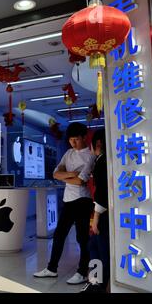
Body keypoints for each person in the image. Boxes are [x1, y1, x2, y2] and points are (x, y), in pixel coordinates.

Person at [34, 122, 95, 285]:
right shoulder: (68, 153)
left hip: (83, 200)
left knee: (82, 237)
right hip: (68, 200)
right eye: (70, 140)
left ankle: (82, 272)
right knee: (59, 235)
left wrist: (66, 176)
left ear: (84, 137)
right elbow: (55, 173)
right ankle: (51, 269)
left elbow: (80, 181)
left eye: (76, 139)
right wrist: (70, 174)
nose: (73, 143)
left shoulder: (90, 155)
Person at [81, 129, 110, 293]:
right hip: (101, 212)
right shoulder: (101, 161)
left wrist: (97, 217)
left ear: (97, 143)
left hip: (103, 214)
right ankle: (95, 282)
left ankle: (98, 286)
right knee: (94, 246)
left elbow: (102, 192)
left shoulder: (102, 162)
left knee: (100, 250)